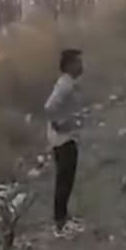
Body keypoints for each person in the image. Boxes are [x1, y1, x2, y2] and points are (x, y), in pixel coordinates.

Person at [45, 48, 85, 236]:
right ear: (69, 65)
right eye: (78, 62)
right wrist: (59, 124)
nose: (81, 65)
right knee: (64, 180)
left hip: (67, 137)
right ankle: (59, 221)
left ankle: (63, 217)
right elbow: (50, 107)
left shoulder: (70, 84)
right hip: (62, 139)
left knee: (67, 180)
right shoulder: (65, 85)